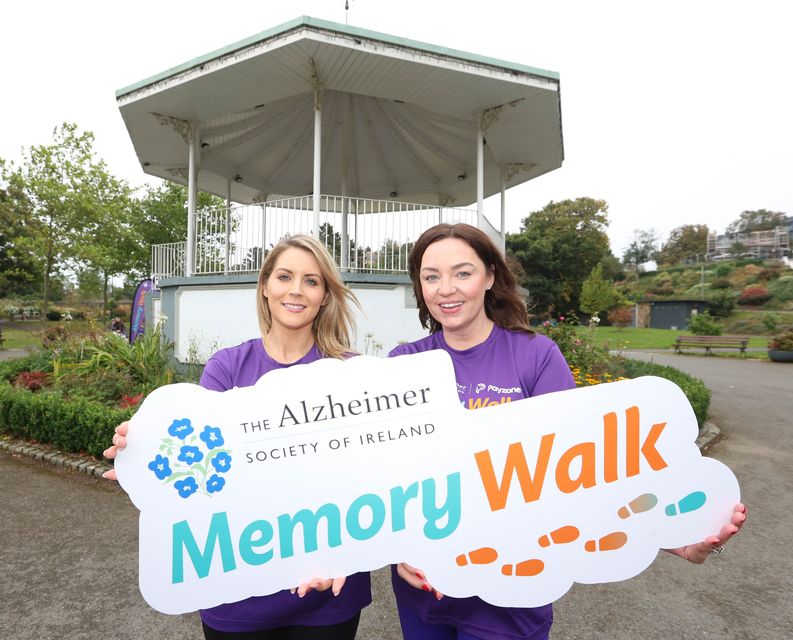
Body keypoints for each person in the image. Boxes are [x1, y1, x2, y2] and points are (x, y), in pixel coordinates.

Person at [388, 223, 748, 640]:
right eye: (431, 276)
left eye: (462, 273)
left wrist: (671, 537)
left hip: (514, 588)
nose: (446, 288)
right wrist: (400, 549)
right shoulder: (404, 363)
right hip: (427, 588)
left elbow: (581, 474)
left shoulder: (536, 356)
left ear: (489, 277)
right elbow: (393, 477)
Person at [103, 234, 371, 640]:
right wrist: (140, 455)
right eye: (285, 276)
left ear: (324, 295)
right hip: (237, 591)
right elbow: (209, 470)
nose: (296, 290)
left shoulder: (351, 373)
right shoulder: (226, 368)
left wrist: (342, 552)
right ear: (265, 287)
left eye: (311, 281)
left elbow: (371, 474)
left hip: (327, 592)